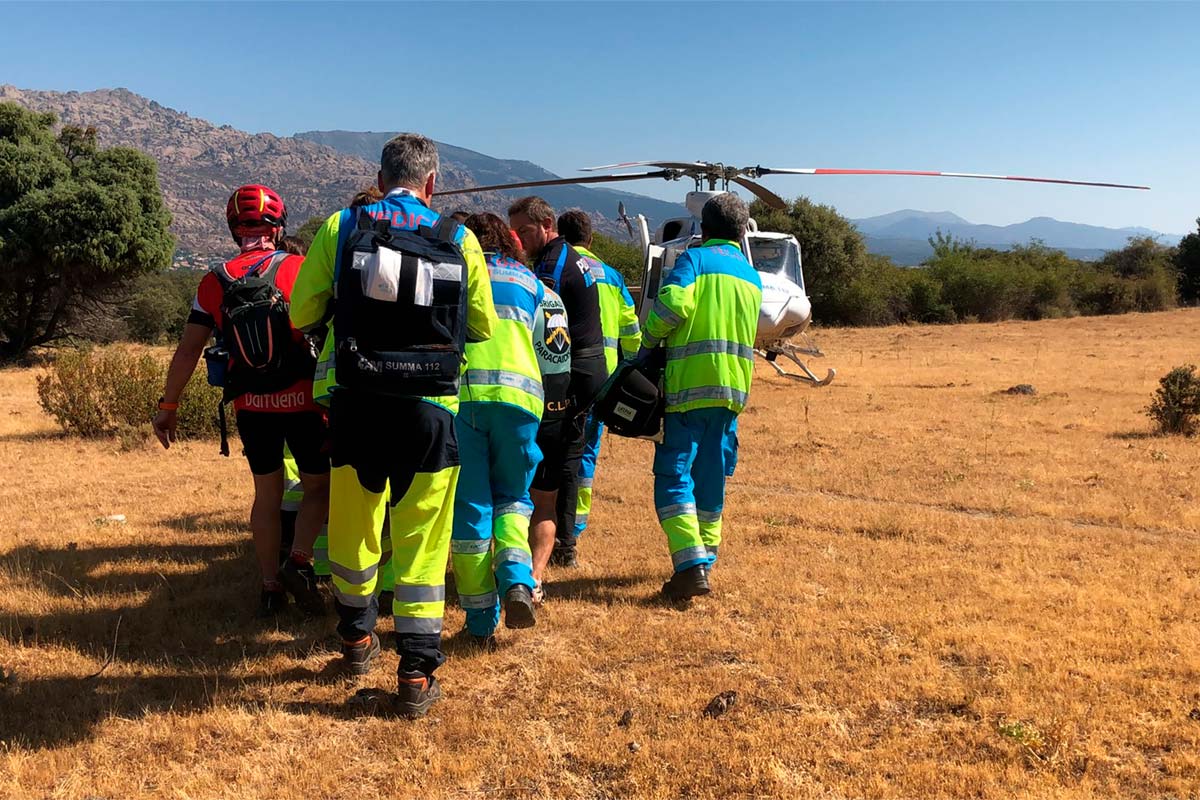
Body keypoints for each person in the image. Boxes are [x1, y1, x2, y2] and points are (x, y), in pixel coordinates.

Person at [290, 133, 497, 717]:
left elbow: (301, 311)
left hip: (357, 404)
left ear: (378, 179)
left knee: (355, 528)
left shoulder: (341, 226)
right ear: (432, 184)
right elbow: (478, 325)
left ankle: (357, 637)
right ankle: (415, 672)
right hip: (431, 410)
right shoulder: (459, 238)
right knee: (422, 541)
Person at [152, 184, 330, 617]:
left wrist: (168, 406)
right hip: (305, 402)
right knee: (318, 488)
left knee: (265, 496)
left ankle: (270, 588)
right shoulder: (299, 268)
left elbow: (189, 350)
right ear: (279, 225)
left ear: (234, 228)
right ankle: (301, 561)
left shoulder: (213, 280)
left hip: (251, 406)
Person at [639, 194, 762, 601]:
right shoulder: (751, 275)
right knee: (711, 480)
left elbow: (672, 306)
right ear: (742, 231)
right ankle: (704, 562)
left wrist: (649, 337)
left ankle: (690, 565)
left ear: (703, 230)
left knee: (675, 476)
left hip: (689, 389)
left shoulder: (694, 261)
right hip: (732, 392)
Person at [450, 212, 551, 645]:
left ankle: (479, 626)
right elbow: (550, 344)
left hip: (467, 401)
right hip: (523, 403)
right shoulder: (531, 282)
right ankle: (516, 580)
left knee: (472, 509)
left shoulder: (456, 271)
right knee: (514, 498)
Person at [507, 197, 607, 594]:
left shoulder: (550, 264)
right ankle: (565, 539)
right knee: (569, 454)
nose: (520, 239)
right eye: (515, 232)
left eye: (526, 231)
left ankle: (558, 542)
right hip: (590, 364)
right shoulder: (572, 256)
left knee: (557, 458)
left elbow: (543, 320)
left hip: (572, 370)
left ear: (547, 224)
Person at [556, 210, 640, 558]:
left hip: (564, 376)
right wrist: (631, 366)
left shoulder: (558, 268)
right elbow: (631, 329)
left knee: (558, 453)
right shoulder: (613, 276)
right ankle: (574, 528)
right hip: (602, 381)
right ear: (591, 239)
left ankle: (556, 528)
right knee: (586, 454)